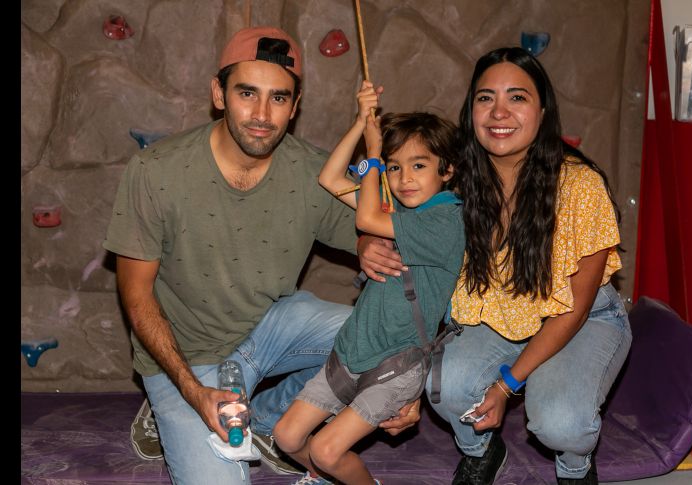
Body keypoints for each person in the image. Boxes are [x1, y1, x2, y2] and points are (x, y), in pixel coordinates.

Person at [103, 26, 410, 485]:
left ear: (296, 104)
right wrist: (192, 391)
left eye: (279, 98)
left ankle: (265, 418)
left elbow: (384, 232)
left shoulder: (314, 170)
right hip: (188, 358)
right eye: (247, 92)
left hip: (270, 330)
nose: (263, 114)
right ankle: (166, 404)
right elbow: (135, 296)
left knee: (390, 340)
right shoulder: (155, 171)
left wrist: (367, 239)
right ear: (219, 93)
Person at [358, 46, 632, 485]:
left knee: (559, 422)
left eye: (517, 98)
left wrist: (506, 386)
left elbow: (574, 309)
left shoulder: (581, 186)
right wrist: (366, 242)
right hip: (498, 313)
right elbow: (383, 210)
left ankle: (576, 466)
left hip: (579, 320)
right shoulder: (454, 178)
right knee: (443, 388)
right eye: (485, 98)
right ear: (471, 111)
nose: (498, 112)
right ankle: (482, 452)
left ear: (542, 112)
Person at [272, 81, 465, 485]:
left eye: (419, 165)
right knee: (287, 436)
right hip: (353, 351)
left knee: (326, 449)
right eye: (394, 167)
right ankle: (326, 479)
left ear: (447, 170)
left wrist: (375, 154)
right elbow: (329, 178)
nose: (403, 177)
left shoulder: (445, 220)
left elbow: (365, 220)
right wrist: (362, 124)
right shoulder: (398, 208)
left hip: (396, 365)